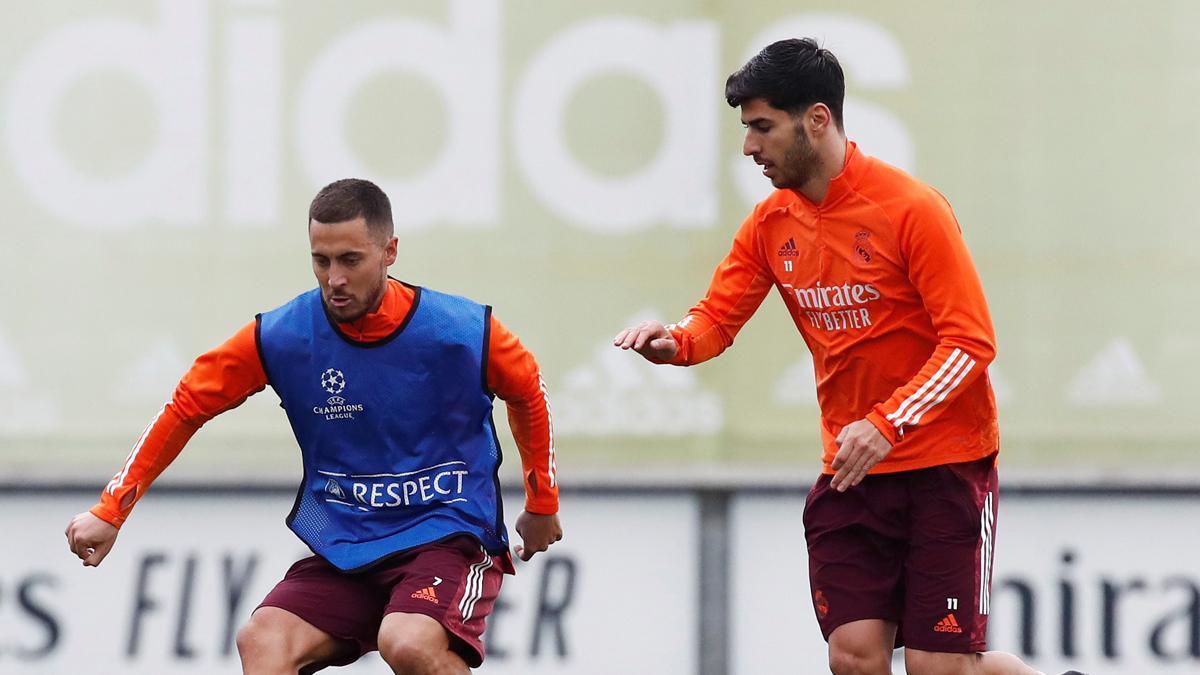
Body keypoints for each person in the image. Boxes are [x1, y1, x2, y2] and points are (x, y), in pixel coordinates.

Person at [614, 39, 1064, 675]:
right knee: (853, 658)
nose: (749, 148)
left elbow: (971, 343)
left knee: (939, 668)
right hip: (851, 473)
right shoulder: (771, 223)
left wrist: (887, 425)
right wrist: (675, 343)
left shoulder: (911, 209)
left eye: (762, 128)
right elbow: (715, 317)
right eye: (747, 130)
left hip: (944, 467)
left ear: (817, 119)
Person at [65, 178, 562, 674]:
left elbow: (528, 392)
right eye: (320, 261)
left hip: (446, 533)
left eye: (350, 260)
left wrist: (541, 503)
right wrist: (112, 508)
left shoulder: (463, 330)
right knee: (262, 641)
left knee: (408, 642)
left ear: (389, 251)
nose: (334, 279)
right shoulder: (281, 336)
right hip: (347, 540)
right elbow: (185, 405)